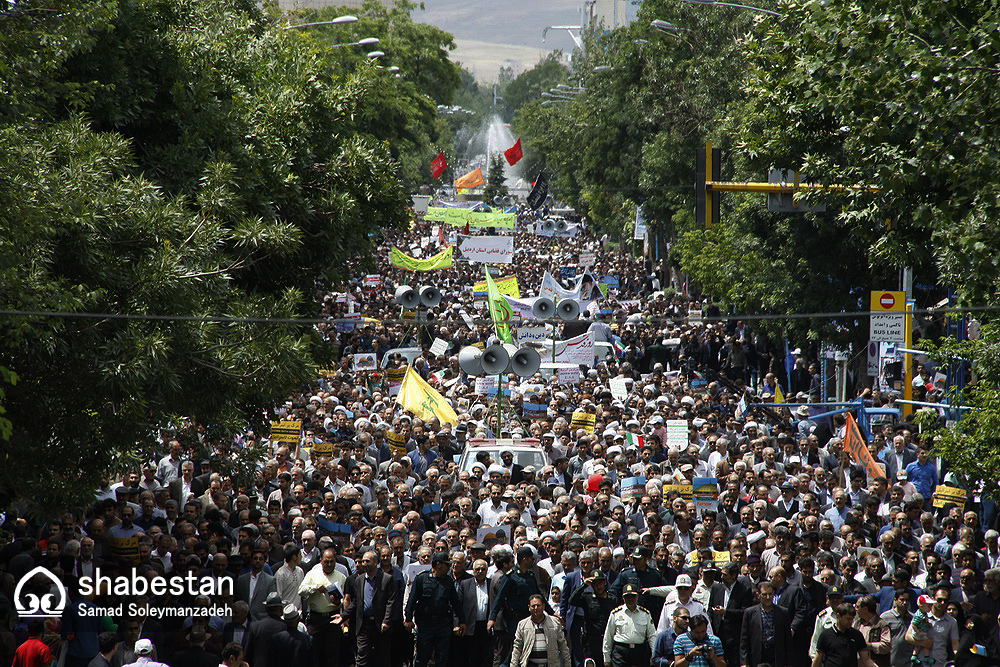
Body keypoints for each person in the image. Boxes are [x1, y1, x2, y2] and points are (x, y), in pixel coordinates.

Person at [405, 551, 464, 667]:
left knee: (442, 658)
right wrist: (408, 619)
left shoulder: (448, 581)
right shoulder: (422, 578)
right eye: (447, 565)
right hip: (425, 624)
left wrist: (462, 621)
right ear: (439, 565)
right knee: (422, 657)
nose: (449, 567)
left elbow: (455, 603)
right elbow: (412, 600)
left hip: (442, 624)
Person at [344, 549, 397, 667]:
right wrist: (343, 616)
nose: (364, 564)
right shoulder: (359, 580)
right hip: (364, 624)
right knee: (361, 656)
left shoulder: (386, 579)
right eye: (362, 561)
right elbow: (356, 602)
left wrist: (386, 621)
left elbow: (390, 601)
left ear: (375, 562)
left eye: (367, 561)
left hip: (380, 624)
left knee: (382, 657)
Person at [741, 580, 793, 667]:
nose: (768, 597)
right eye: (764, 594)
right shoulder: (749, 613)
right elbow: (744, 640)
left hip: (776, 654)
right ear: (758, 595)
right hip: (758, 654)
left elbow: (787, 639)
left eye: (770, 594)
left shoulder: (783, 612)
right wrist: (744, 663)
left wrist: (789, 663)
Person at [602, 584, 657, 667]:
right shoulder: (616, 613)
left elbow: (652, 636)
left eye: (633, 596)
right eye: (627, 597)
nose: (630, 599)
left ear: (637, 597)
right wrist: (606, 658)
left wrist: (654, 654)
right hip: (620, 652)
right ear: (623, 598)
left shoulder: (645, 614)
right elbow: (608, 637)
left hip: (639, 652)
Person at [510, 594, 570, 667]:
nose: (536, 608)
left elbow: (563, 646)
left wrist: (567, 664)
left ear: (543, 606)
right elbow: (517, 647)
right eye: (533, 606)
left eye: (538, 605)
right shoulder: (522, 625)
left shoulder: (555, 623)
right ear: (529, 607)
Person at [812, 603, 878, 667]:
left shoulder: (856, 635)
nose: (850, 622)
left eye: (852, 619)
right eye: (848, 619)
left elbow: (866, 659)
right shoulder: (825, 635)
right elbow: (818, 659)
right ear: (838, 616)